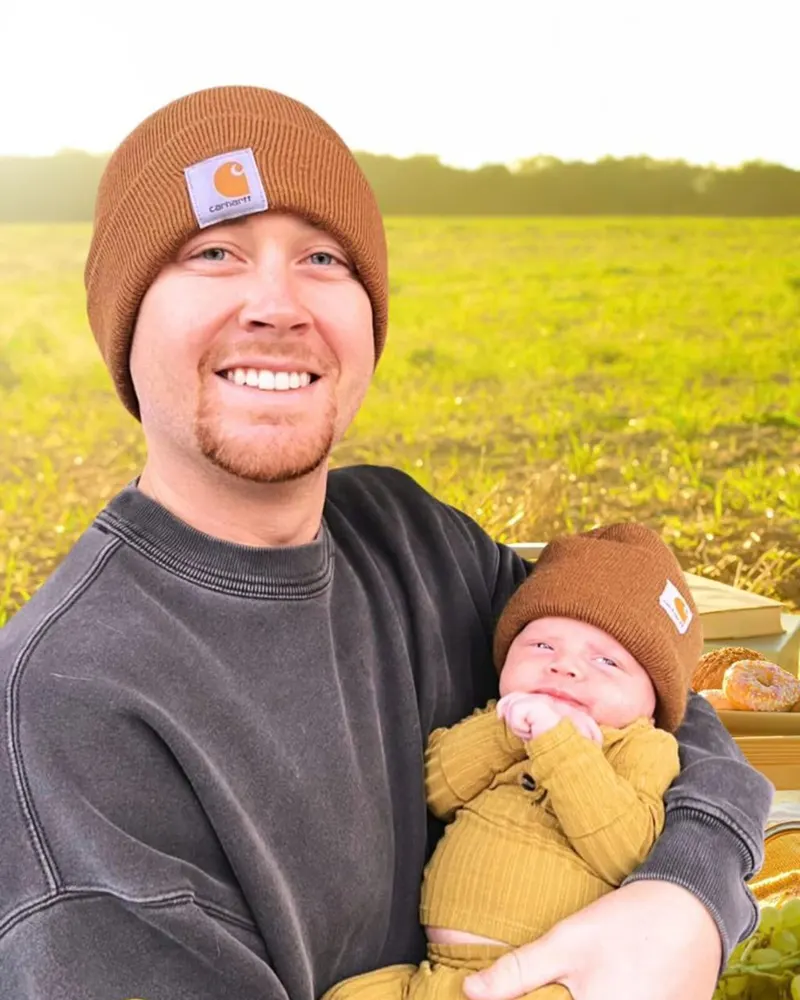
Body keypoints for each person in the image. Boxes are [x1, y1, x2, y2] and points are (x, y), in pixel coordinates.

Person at [0, 86, 773, 1000]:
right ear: (124, 319)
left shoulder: (415, 539)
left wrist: (686, 894)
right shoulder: (69, 711)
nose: (277, 305)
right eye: (214, 252)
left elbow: (651, 682)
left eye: (322, 257)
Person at [323, 521, 700, 1000]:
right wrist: (506, 732)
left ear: (653, 701)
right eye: (542, 646)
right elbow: (435, 790)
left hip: (549, 981)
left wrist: (559, 745)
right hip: (440, 975)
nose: (564, 666)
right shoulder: (500, 720)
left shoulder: (640, 747)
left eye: (607, 662)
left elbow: (626, 852)